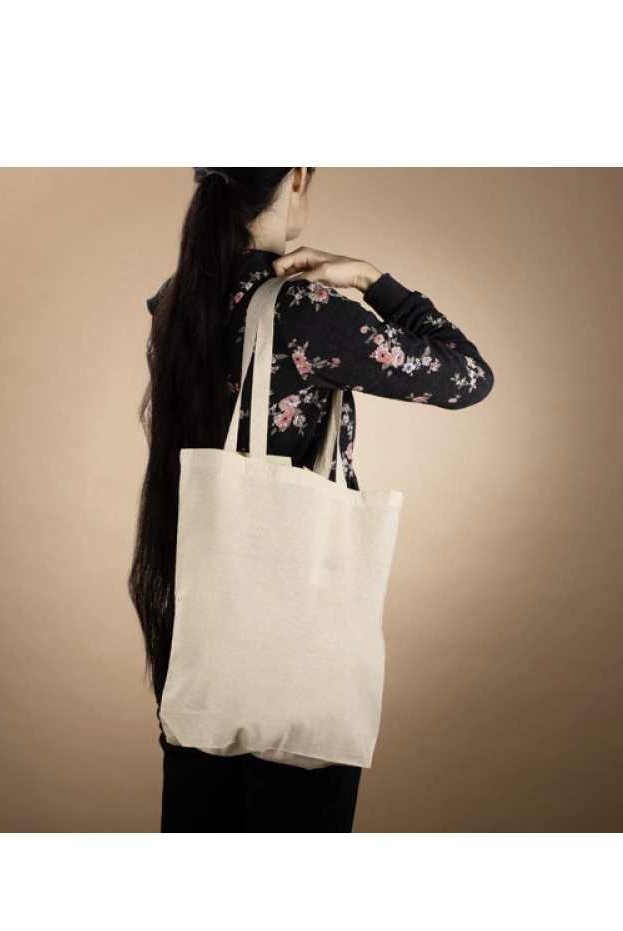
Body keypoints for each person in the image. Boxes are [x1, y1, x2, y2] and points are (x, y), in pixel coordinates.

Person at [128, 168, 495, 832]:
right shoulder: (307, 313)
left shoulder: (173, 303)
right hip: (296, 651)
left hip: (199, 649)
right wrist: (372, 280)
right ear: (296, 177)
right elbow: (468, 376)